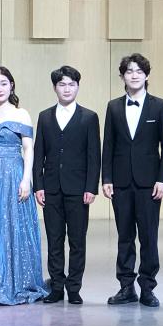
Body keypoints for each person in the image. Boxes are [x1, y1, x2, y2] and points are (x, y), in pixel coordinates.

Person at [102, 53, 163, 308]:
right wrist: (106, 178)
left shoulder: (159, 106)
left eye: (139, 71)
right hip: (121, 182)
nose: (134, 75)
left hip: (149, 183)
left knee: (148, 236)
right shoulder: (113, 107)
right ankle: (126, 287)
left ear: (147, 75)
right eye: (129, 71)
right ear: (122, 76)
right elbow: (108, 145)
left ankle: (148, 288)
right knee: (124, 236)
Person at [0, 66, 48, 306]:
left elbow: (28, 149)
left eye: (3, 83)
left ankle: (19, 282)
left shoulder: (21, 114)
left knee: (15, 225)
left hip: (14, 174)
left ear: (11, 86)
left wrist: (26, 179)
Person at [33, 65, 101, 305]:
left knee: (77, 241)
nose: (67, 89)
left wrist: (91, 187)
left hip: (78, 189)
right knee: (54, 240)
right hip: (51, 188)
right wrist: (38, 185)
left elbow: (94, 155)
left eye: (72, 84)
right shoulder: (45, 116)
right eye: (62, 84)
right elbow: (38, 153)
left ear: (78, 87)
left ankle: (74, 288)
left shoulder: (89, 117)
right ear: (55, 88)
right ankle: (56, 287)